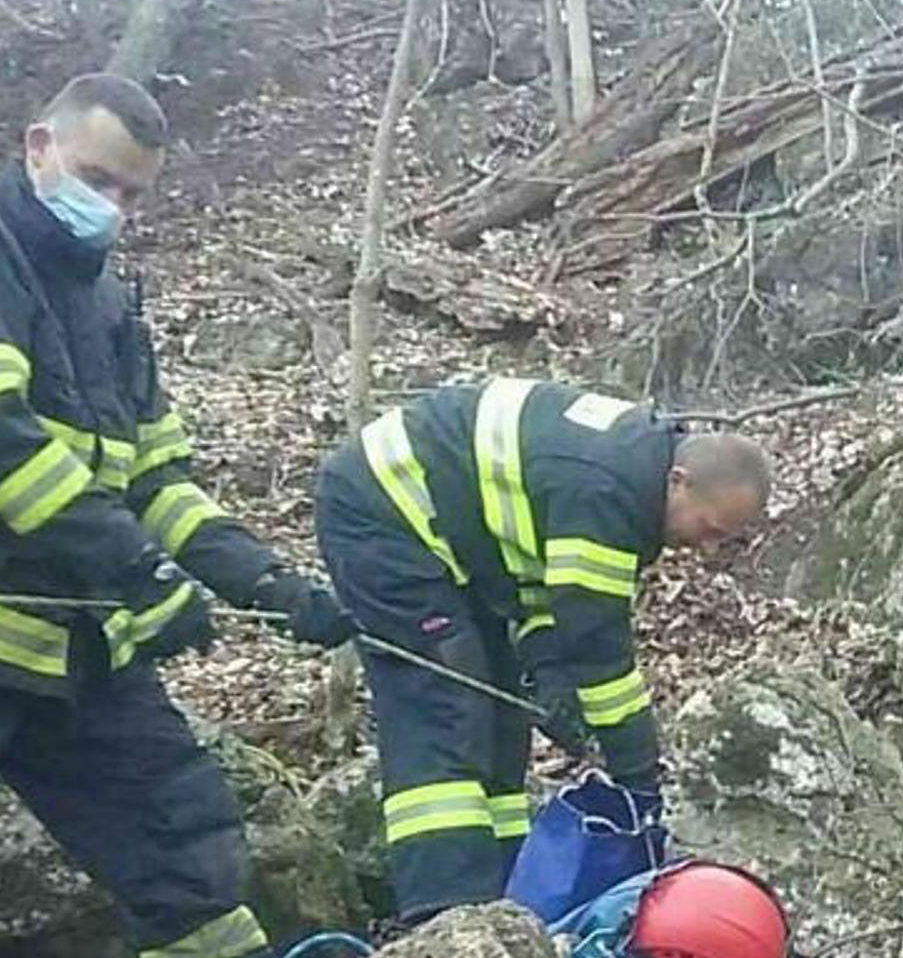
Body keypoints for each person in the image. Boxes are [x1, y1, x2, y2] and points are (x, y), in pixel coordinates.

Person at [0, 73, 353, 958]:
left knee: (172, 819)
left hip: (70, 641)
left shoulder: (104, 296)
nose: (107, 207)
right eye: (94, 177)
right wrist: (138, 573)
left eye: (129, 193)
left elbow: (156, 477)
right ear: (36, 145)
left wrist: (266, 583)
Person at [315, 378, 771, 922]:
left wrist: (548, 672)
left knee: (504, 713)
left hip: (464, 546)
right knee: (447, 705)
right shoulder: (608, 493)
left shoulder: (628, 469)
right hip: (382, 515)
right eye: (709, 527)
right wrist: (639, 775)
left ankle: (510, 898)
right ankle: (441, 913)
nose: (708, 546)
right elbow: (599, 650)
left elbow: (539, 584)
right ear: (679, 482)